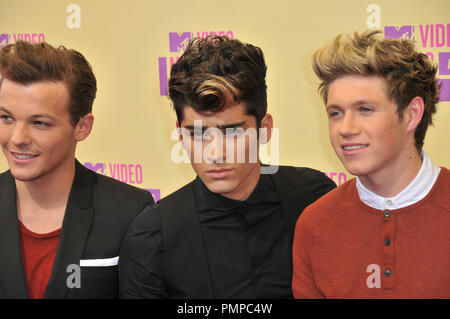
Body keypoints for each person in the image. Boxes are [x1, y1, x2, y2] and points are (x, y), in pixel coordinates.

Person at [119, 36, 336, 299]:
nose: (215, 153)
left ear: (264, 129)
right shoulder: (151, 235)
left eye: (232, 132)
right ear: (180, 134)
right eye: (197, 134)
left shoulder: (313, 197)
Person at [292, 30, 450, 298]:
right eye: (336, 113)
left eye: (365, 109)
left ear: (412, 114)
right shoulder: (315, 224)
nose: (345, 128)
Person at [0, 41, 154, 299]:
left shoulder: (130, 211)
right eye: (6, 118)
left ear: (82, 127)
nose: (17, 138)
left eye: (39, 123)